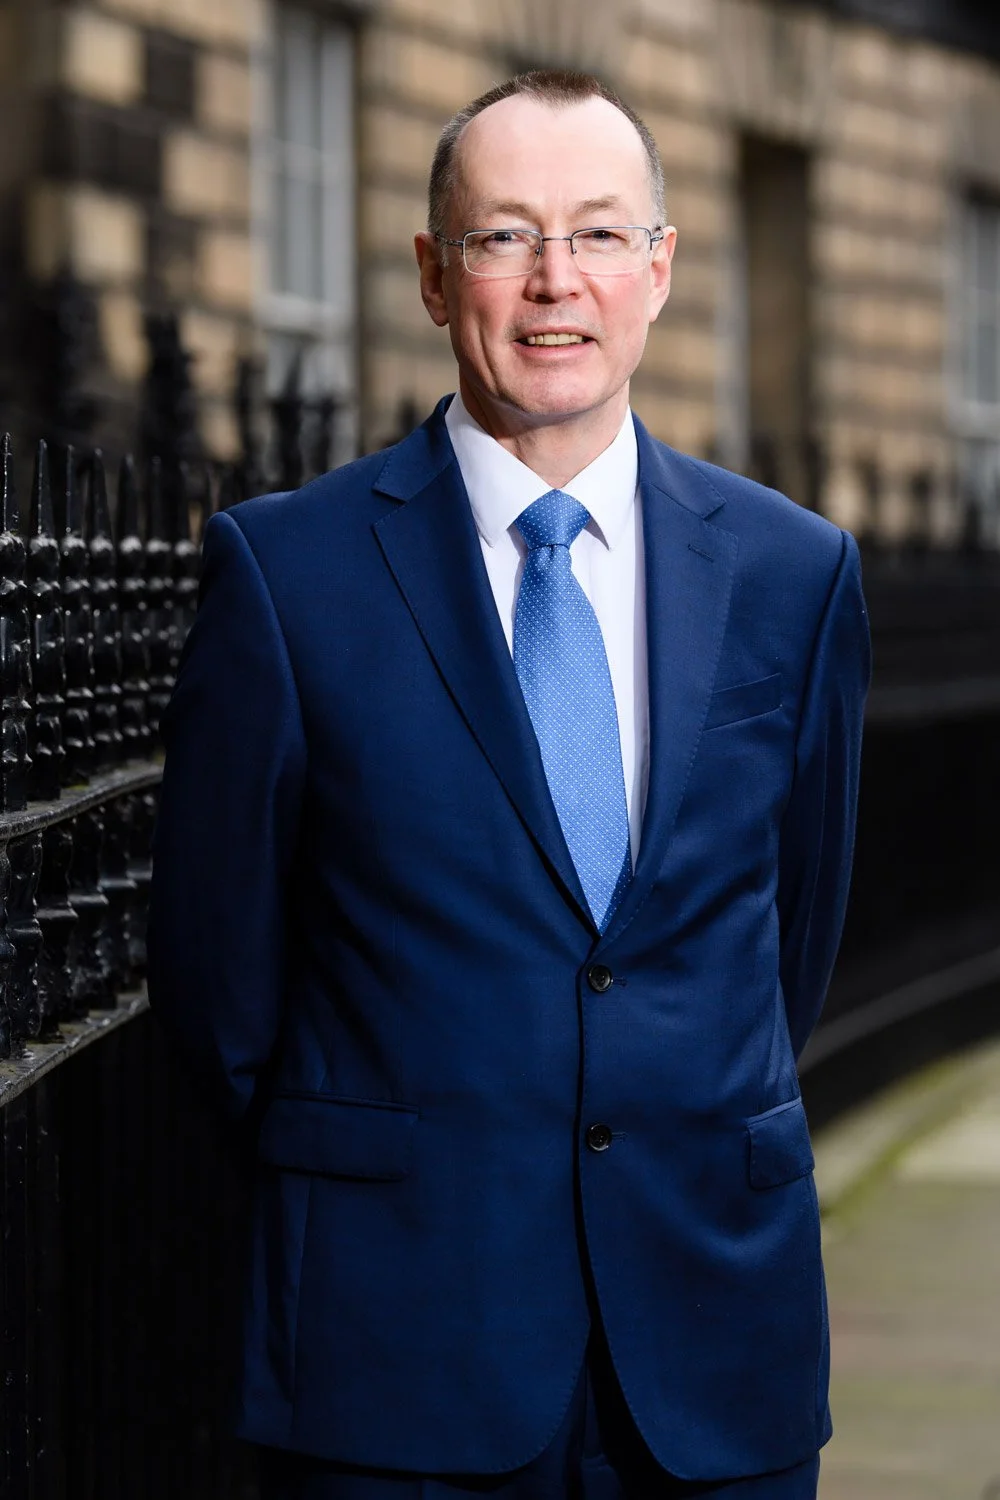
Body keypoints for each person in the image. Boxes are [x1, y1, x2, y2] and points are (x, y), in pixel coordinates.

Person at [148, 69, 869, 1500]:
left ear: (658, 271)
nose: (557, 283)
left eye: (601, 235)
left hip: (716, 1351)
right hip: (396, 1354)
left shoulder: (796, 572)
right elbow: (219, 991)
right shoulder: (287, 576)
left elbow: (799, 930)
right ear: (432, 274)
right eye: (504, 237)